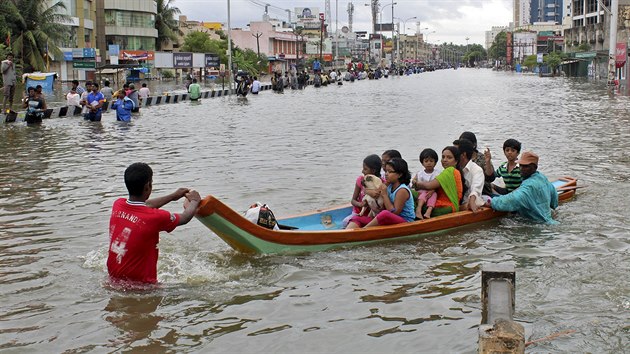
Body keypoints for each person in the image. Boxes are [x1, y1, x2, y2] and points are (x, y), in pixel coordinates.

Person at [107, 162, 201, 284]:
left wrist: (173, 196)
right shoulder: (154, 218)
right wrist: (194, 201)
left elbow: (145, 205)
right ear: (148, 186)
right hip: (142, 288)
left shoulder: (118, 204)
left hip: (113, 280)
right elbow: (184, 218)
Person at [487, 151, 558, 224]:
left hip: (537, 224)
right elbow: (554, 200)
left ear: (534, 167)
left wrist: (490, 202)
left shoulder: (528, 187)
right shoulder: (542, 178)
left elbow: (509, 201)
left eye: (525, 166)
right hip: (548, 220)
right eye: (520, 165)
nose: (521, 168)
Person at [347, 158, 415, 228]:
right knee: (357, 218)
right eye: (386, 171)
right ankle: (348, 233)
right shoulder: (388, 185)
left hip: (404, 221)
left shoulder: (402, 190)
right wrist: (368, 195)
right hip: (388, 218)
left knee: (384, 213)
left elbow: (394, 212)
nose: (386, 174)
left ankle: (364, 231)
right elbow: (374, 193)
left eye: (390, 172)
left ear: (400, 174)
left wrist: (385, 195)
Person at [414, 146, 464, 217]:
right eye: (443, 157)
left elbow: (428, 186)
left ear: (456, 161)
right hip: (445, 205)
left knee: (411, 195)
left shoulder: (450, 171)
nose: (445, 160)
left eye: (449, 157)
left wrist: (416, 183)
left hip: (446, 207)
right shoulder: (450, 172)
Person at [343, 154, 383, 226]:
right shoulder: (361, 180)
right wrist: (360, 204)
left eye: (365, 169)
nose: (362, 171)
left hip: (373, 216)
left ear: (373, 170)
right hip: (358, 213)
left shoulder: (380, 183)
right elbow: (353, 200)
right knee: (345, 222)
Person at [457, 139, 486, 212]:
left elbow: (476, 189)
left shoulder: (477, 170)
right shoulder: (453, 169)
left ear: (463, 155)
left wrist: (472, 201)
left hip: (468, 204)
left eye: (455, 153)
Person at [412, 148, 440, 219]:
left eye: (431, 161)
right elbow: (414, 180)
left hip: (432, 191)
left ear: (435, 162)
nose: (429, 163)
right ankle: (419, 209)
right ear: (422, 163)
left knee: (434, 194)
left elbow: (438, 184)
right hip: (421, 191)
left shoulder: (437, 173)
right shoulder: (420, 173)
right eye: (426, 161)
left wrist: (432, 190)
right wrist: (414, 181)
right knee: (424, 193)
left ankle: (429, 211)